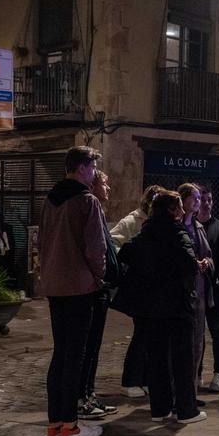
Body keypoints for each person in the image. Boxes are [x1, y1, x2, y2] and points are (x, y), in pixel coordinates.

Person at [112, 191, 206, 424]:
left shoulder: (146, 232)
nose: (183, 212)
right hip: (177, 305)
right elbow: (187, 263)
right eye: (180, 208)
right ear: (173, 210)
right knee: (182, 358)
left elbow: (125, 253)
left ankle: (159, 409)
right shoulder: (177, 232)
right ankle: (186, 411)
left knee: (157, 359)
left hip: (151, 308)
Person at [38, 146, 107, 436]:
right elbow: (96, 248)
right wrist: (99, 276)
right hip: (80, 287)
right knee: (75, 356)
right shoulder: (86, 201)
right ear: (81, 168)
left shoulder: (50, 201)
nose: (93, 173)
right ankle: (70, 427)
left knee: (60, 352)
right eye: (92, 167)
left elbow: (41, 241)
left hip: (55, 285)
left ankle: (55, 425)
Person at [112, 184, 166, 398]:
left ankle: (144, 378)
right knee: (141, 334)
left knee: (151, 336)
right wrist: (130, 261)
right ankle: (131, 379)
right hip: (141, 287)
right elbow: (113, 242)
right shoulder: (131, 222)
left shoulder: (157, 223)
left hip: (155, 288)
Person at [77, 170, 119, 420]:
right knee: (87, 346)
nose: (108, 188)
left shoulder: (98, 210)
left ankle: (89, 393)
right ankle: (82, 397)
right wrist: (101, 275)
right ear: (93, 186)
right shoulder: (90, 207)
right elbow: (96, 248)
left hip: (99, 287)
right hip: (94, 288)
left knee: (93, 347)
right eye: (104, 183)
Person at [178, 183, 215, 404]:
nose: (198, 202)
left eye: (199, 198)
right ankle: (178, 391)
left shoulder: (199, 228)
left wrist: (205, 263)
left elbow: (209, 256)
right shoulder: (177, 227)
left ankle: (191, 391)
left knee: (197, 342)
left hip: (199, 293)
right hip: (182, 293)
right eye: (194, 198)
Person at [199, 187, 219, 391]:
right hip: (195, 289)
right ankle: (197, 371)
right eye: (202, 199)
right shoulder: (190, 227)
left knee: (217, 330)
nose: (206, 203)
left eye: (209, 199)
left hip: (214, 289)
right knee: (197, 333)